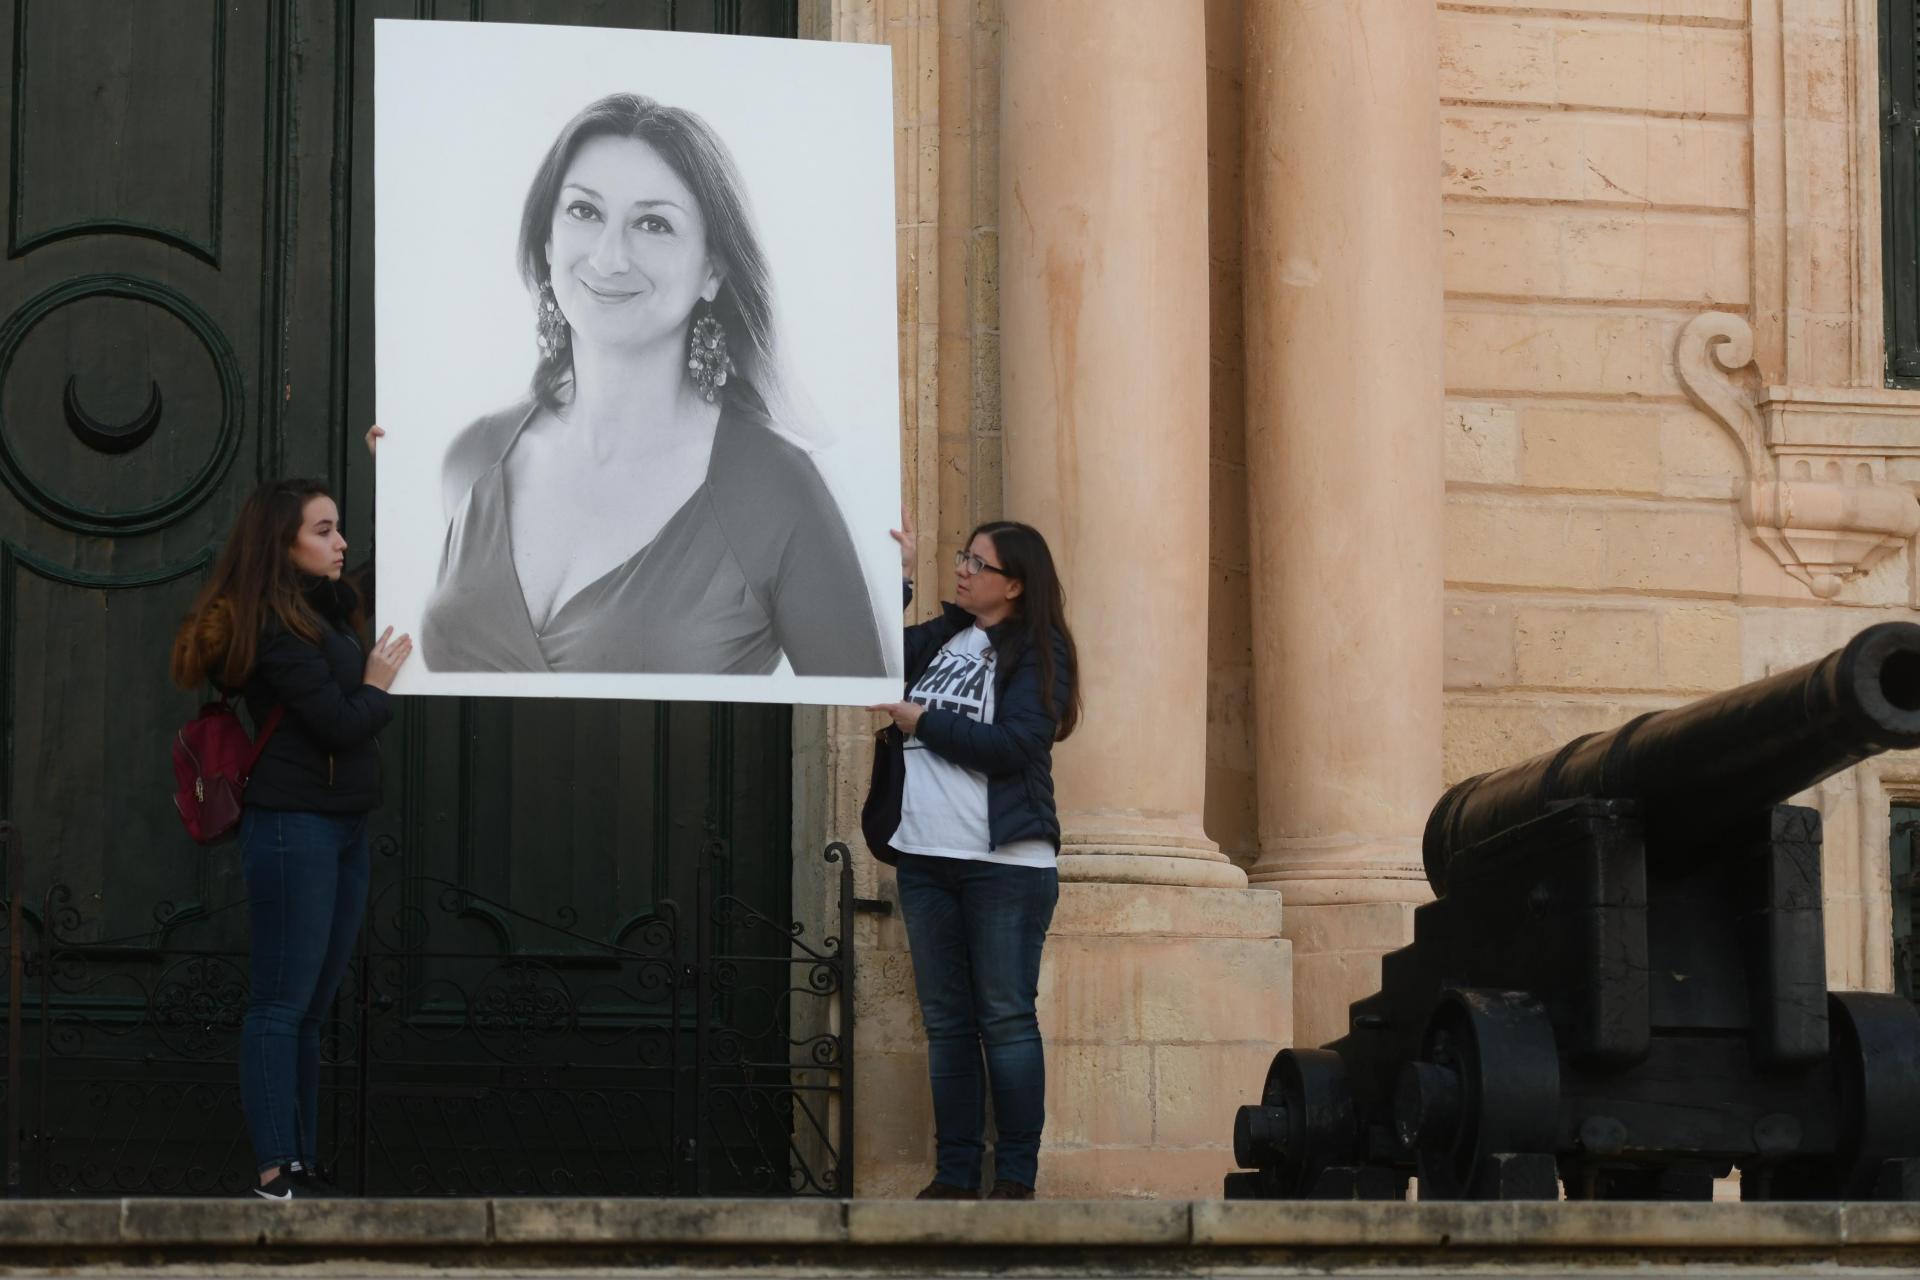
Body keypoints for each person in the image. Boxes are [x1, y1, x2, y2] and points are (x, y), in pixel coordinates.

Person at [420, 92, 884, 677]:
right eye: (585, 212)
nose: (610, 257)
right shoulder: (472, 459)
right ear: (546, 240)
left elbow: (863, 717)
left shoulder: (776, 488)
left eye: (654, 223)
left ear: (713, 270)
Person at [170, 473, 411, 1199]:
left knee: (309, 1007)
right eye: (324, 530)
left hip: (341, 825)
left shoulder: (326, 611)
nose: (340, 544)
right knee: (280, 1002)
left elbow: (397, 559)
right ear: (283, 544)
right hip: (290, 826)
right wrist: (374, 686)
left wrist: (392, 458)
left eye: (339, 528)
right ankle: (279, 1170)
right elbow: (339, 722)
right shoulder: (273, 630)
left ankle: (300, 1162)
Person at [873, 517, 1082, 1201]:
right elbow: (865, 657)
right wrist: (895, 578)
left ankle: (1015, 1180)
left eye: (977, 563)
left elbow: (1016, 746)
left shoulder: (1039, 649)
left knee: (1006, 1019)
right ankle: (956, 1175)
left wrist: (922, 721)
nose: (961, 569)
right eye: (963, 557)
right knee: (949, 1026)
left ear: (1015, 584)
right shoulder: (945, 637)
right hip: (925, 860)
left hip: (1006, 867)